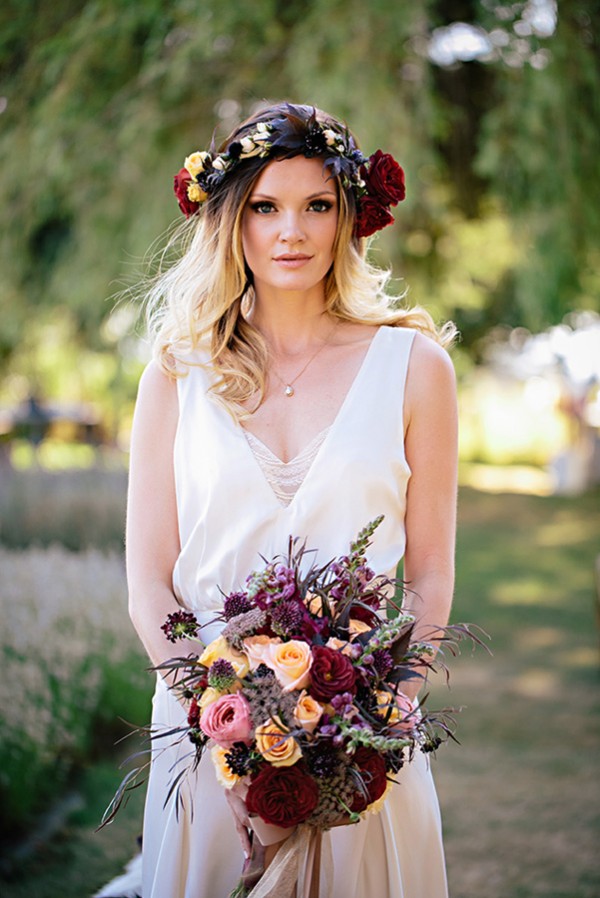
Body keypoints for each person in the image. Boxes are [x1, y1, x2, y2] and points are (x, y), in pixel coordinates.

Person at [126, 102, 458, 898]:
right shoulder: (177, 373)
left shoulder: (414, 367)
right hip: (204, 746)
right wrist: (225, 736)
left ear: (350, 215)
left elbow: (434, 575)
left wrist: (368, 725)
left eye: (318, 205)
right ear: (230, 219)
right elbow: (148, 582)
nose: (292, 233)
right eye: (266, 207)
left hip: (363, 743)